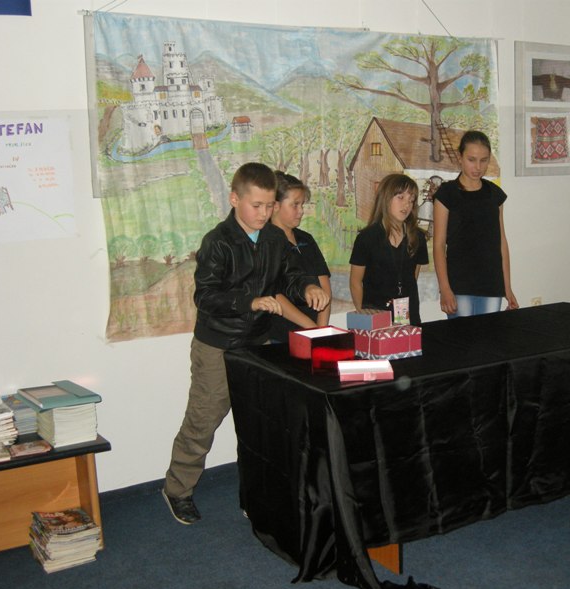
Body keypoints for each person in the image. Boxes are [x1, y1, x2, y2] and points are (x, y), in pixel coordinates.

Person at [162, 162, 330, 525]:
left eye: (270, 205)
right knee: (204, 419)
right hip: (217, 345)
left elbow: (289, 275)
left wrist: (307, 287)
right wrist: (249, 302)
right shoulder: (218, 242)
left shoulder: (274, 238)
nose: (264, 213)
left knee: (258, 422)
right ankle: (177, 489)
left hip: (258, 343)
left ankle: (255, 493)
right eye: (257, 205)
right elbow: (206, 297)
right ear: (234, 199)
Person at [432, 130, 518, 318]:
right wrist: (445, 288)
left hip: (491, 284)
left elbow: (501, 242)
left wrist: (507, 287)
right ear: (460, 158)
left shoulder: (495, 194)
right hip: (459, 284)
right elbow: (438, 245)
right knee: (464, 336)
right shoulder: (446, 194)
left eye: (483, 160)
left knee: (488, 335)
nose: (478, 167)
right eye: (472, 160)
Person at [349, 173, 428, 325]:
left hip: (408, 314)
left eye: (411, 200)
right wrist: (364, 315)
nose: (406, 205)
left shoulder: (417, 237)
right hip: (375, 314)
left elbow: (413, 277)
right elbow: (355, 282)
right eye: (400, 197)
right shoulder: (367, 237)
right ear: (386, 198)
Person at [267, 171, 332, 342]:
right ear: (275, 205)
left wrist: (321, 329)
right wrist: (311, 328)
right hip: (282, 337)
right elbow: (273, 293)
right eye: (295, 205)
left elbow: (324, 285)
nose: (301, 211)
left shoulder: (306, 239)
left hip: (315, 331)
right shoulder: (266, 243)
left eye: (302, 205)